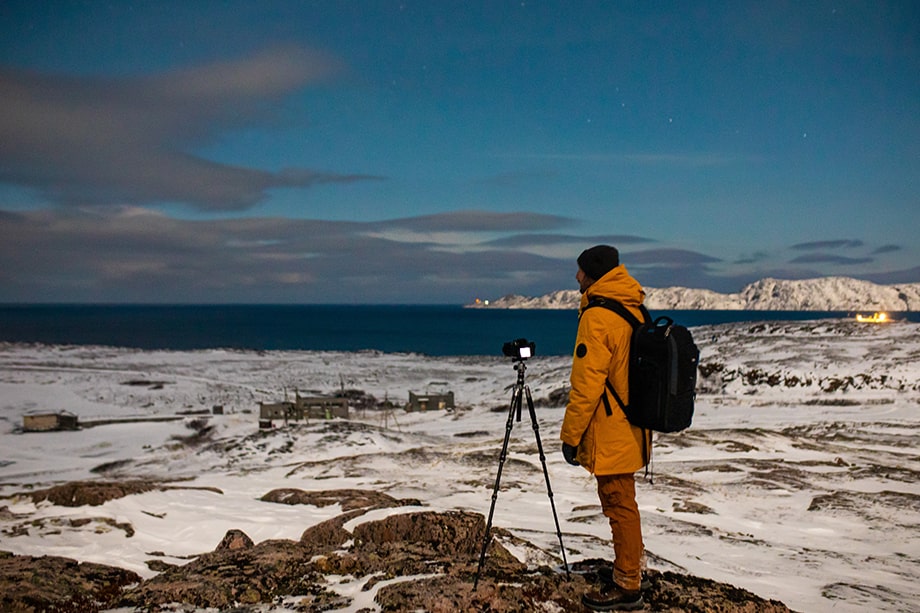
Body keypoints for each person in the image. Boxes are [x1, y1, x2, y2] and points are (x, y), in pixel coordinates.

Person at [560, 244, 650, 612]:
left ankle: (628, 584)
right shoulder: (632, 307)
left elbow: (586, 385)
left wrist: (571, 437)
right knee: (623, 502)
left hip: (612, 427)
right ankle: (630, 568)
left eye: (581, 271)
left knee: (618, 503)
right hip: (633, 425)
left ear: (593, 274)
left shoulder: (598, 316)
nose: (576, 276)